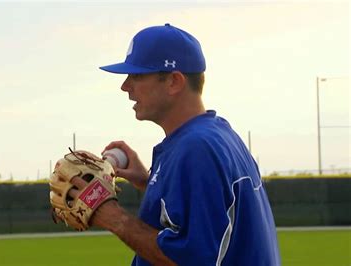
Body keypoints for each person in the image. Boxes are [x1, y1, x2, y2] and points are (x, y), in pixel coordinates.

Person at [69, 23, 281, 265]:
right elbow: (202, 216)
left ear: (174, 82)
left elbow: (191, 259)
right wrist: (147, 182)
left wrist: (111, 216)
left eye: (137, 75)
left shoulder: (197, 148)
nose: (125, 86)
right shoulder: (215, 135)